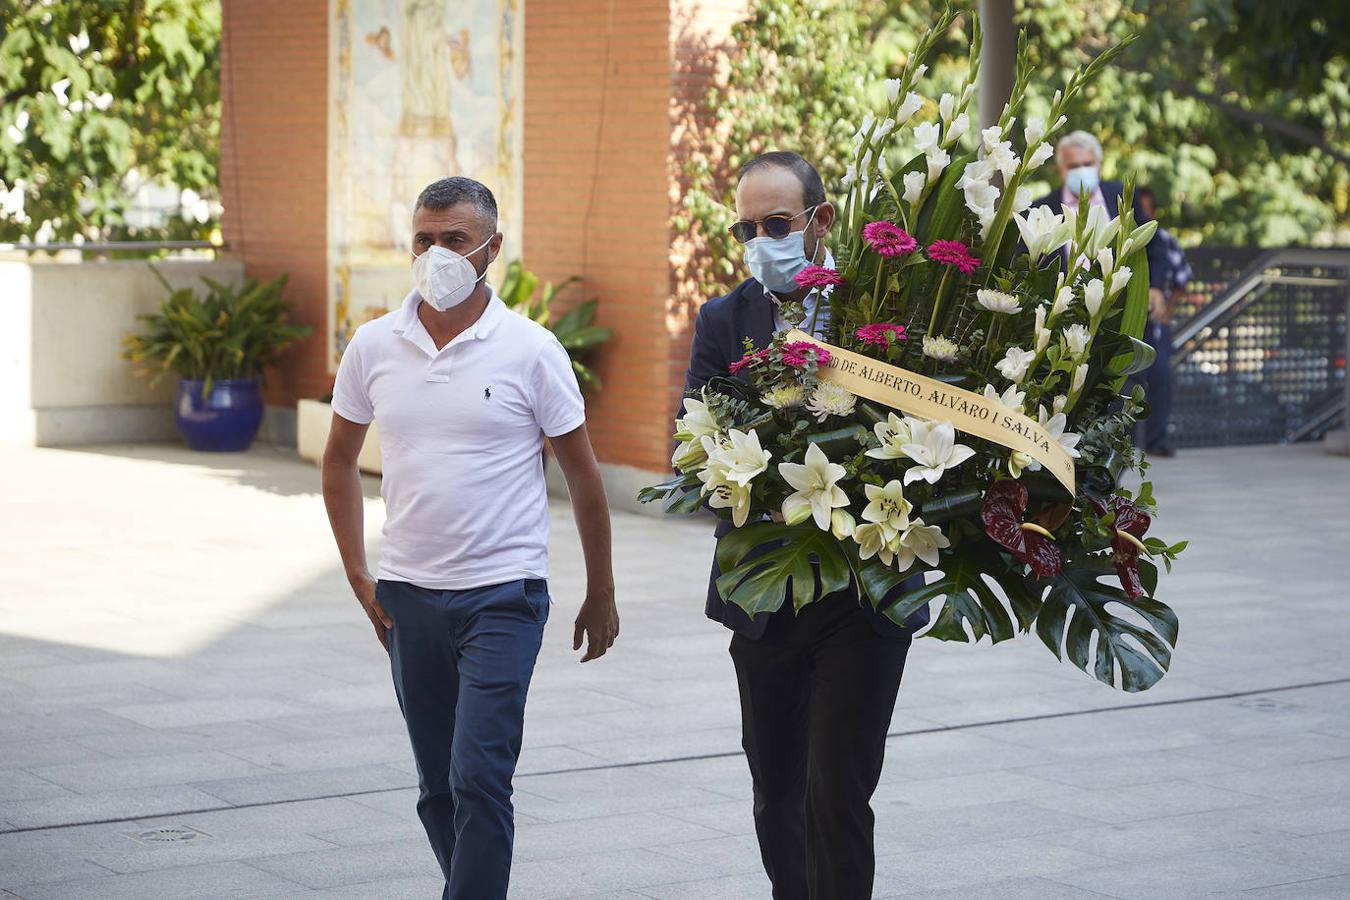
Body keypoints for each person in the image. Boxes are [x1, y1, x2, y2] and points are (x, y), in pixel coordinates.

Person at [321, 176, 619, 900]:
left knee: (479, 777)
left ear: (492, 249)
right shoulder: (373, 346)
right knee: (436, 789)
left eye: (455, 240)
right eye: (424, 238)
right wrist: (361, 576)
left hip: (504, 597)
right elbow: (336, 459)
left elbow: (583, 477)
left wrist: (601, 590)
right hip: (409, 599)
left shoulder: (532, 349)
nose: (436, 254)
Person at [683, 151, 927, 900]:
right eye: (747, 227)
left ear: (821, 221)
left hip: (864, 596)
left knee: (837, 795)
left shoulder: (881, 306)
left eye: (777, 223)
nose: (762, 239)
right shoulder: (725, 319)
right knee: (777, 793)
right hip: (765, 599)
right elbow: (693, 447)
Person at [1031, 130, 1168, 310]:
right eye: (1073, 166)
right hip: (1061, 312)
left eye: (1087, 163)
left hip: (1118, 309)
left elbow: (1154, 242)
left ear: (1099, 164)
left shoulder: (1123, 197)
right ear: (1060, 169)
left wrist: (1155, 286)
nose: (1081, 170)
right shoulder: (1041, 209)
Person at [1133, 187, 1191, 456]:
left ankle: (1156, 439)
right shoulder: (1124, 237)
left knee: (1162, 378)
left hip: (1155, 323)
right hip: (1127, 324)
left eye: (1145, 210)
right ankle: (1125, 441)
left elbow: (1182, 279)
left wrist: (1167, 308)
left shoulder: (1165, 241)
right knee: (1126, 383)